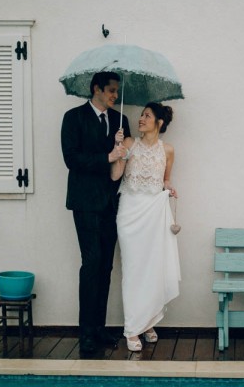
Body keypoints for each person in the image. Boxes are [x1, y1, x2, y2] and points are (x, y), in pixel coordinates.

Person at [61, 71, 130, 353]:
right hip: (85, 202)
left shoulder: (120, 121)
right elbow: (71, 158)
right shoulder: (73, 117)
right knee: (91, 263)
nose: (115, 96)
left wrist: (121, 149)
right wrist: (107, 156)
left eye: (116, 91)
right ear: (96, 89)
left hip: (112, 203)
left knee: (106, 267)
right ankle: (86, 331)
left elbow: (121, 164)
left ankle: (99, 328)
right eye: (111, 90)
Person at [111, 102, 181, 352]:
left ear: (159, 123)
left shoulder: (169, 150)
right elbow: (115, 176)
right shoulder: (129, 143)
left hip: (154, 213)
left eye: (147, 115)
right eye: (141, 115)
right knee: (133, 268)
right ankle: (132, 328)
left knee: (152, 268)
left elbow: (165, 180)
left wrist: (170, 188)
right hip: (130, 212)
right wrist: (118, 150)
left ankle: (147, 322)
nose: (141, 118)